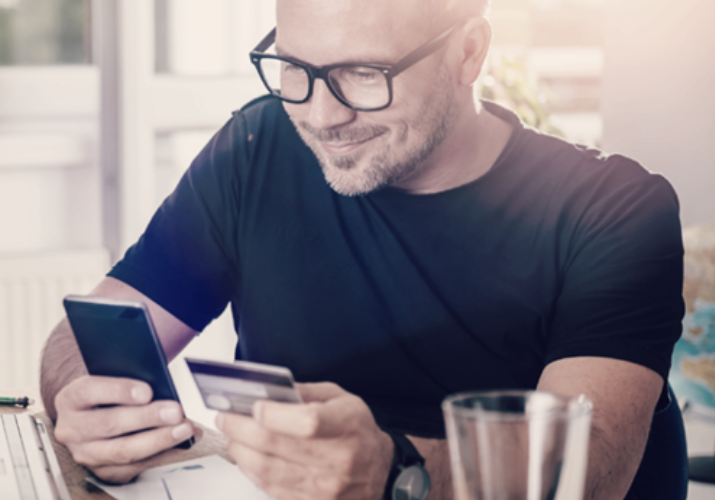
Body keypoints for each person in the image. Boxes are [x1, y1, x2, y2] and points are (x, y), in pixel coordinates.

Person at [39, 0, 687, 498]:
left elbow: (590, 471)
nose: (322, 116)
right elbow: (84, 332)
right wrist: (86, 398)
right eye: (296, 69)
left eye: (363, 73)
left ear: (469, 52)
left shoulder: (615, 208)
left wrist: (393, 470)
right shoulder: (257, 148)